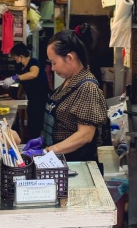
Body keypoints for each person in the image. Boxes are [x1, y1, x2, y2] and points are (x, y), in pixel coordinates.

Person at [42, 28, 108, 162]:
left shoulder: (87, 87)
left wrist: (48, 151)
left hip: (76, 161)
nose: (53, 68)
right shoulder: (69, 81)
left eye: (54, 63)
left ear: (69, 58)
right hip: (60, 158)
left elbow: (85, 135)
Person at [2, 43, 49, 141]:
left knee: (37, 123)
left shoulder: (33, 62)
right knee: (31, 123)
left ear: (20, 56)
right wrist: (17, 97)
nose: (13, 58)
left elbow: (33, 74)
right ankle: (32, 142)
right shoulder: (20, 67)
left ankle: (37, 146)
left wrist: (15, 78)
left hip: (41, 99)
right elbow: (22, 84)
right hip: (31, 99)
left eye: (14, 56)